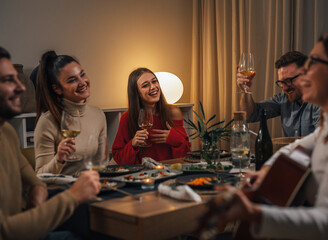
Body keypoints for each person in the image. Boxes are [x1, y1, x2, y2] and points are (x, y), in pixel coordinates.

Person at [209, 32, 328, 239]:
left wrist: (253, 213)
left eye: (313, 63)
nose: (306, 72)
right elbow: (291, 148)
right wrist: (267, 171)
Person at [0, 46, 101, 239]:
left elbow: (35, 181)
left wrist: (37, 190)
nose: (21, 87)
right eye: (7, 80)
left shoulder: (7, 133)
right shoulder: (46, 121)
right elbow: (5, 231)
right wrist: (73, 195)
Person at [34, 51, 107, 174]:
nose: (82, 83)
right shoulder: (47, 122)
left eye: (82, 75)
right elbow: (40, 175)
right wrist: (59, 159)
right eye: (72, 80)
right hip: (62, 190)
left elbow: (101, 163)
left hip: (93, 186)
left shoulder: (98, 115)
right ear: (57, 89)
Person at [112, 67, 191, 164]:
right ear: (136, 92)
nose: (153, 87)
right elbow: (119, 159)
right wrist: (132, 144)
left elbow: (187, 156)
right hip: (142, 175)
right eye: (145, 85)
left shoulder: (173, 112)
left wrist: (175, 139)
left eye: (154, 81)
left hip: (171, 172)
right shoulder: (127, 118)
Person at [237, 51, 320, 137]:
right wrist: (245, 90)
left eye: (289, 80)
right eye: (281, 82)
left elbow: (323, 140)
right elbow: (250, 115)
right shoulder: (283, 99)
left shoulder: (322, 99)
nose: (285, 87)